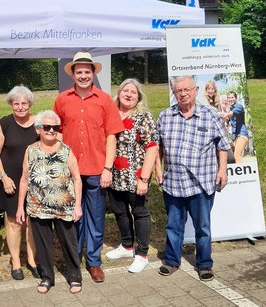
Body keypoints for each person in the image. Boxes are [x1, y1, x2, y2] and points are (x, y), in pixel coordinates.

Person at [53, 51, 124, 282]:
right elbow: (58, 133)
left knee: (95, 217)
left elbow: (112, 136)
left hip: (96, 169)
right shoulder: (62, 99)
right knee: (73, 218)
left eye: (87, 71)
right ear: (73, 74)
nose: (83, 75)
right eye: (79, 72)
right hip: (71, 169)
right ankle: (75, 259)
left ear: (93, 73)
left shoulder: (104, 100)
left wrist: (107, 168)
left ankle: (93, 262)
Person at [156, 75, 230, 281]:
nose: (183, 93)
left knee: (203, 227)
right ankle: (172, 261)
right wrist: (158, 169)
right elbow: (157, 147)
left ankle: (204, 264)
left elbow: (223, 145)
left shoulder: (210, 115)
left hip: (201, 184)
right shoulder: (165, 116)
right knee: (173, 225)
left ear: (196, 90)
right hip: (173, 183)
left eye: (187, 89)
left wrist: (222, 170)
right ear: (174, 93)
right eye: (178, 90)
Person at [16, 110, 83, 294]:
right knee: (43, 244)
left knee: (69, 243)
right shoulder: (30, 150)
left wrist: (77, 206)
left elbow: (77, 179)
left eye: (55, 127)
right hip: (38, 207)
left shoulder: (66, 150)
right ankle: (47, 277)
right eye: (47, 127)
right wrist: (21, 207)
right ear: (38, 129)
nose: (51, 130)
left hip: (64, 206)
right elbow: (24, 179)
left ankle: (75, 276)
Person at [106, 79, 158, 273]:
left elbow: (152, 147)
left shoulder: (144, 116)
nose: (128, 94)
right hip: (115, 174)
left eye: (133, 92)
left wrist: (144, 178)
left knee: (139, 212)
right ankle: (127, 246)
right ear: (118, 93)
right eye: (125, 91)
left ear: (138, 96)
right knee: (119, 211)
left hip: (136, 174)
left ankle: (142, 254)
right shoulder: (110, 114)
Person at [0, 85, 39, 280]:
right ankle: (16, 262)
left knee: (32, 222)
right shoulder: (4, 124)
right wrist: (3, 177)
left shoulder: (39, 123)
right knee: (13, 222)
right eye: (16, 103)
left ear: (30, 104)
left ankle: (32, 259)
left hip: (35, 180)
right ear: (11, 104)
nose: (20, 107)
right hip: (10, 180)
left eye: (24, 103)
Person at [222, 91, 248, 163]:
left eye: (232, 97)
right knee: (228, 154)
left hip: (242, 135)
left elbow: (231, 113)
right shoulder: (229, 109)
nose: (230, 99)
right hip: (234, 138)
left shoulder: (239, 106)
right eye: (229, 98)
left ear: (236, 98)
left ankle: (242, 173)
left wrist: (225, 115)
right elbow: (226, 122)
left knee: (237, 155)